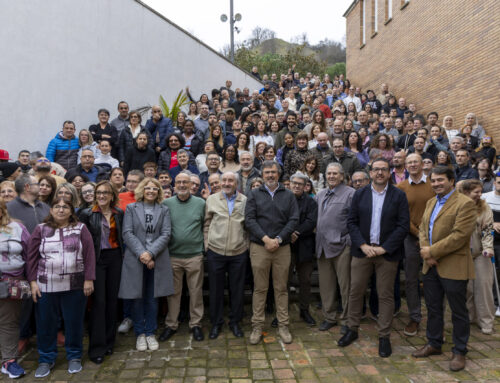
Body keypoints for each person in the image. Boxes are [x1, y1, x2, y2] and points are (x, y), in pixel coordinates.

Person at [338, 158, 409, 358]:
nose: (379, 173)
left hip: (387, 254)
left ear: (389, 173)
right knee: (355, 292)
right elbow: (351, 222)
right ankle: (352, 329)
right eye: (376, 169)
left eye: (383, 170)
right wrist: (363, 245)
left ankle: (384, 336)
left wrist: (384, 248)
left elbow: (403, 226)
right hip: (362, 251)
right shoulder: (359, 195)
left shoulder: (398, 196)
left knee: (385, 295)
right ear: (370, 172)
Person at [413, 166, 477, 372]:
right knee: (432, 307)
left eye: (440, 180)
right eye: (433, 181)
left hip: (453, 265)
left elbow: (460, 236)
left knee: (458, 311)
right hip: (430, 266)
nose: (436, 184)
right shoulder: (432, 202)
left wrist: (432, 252)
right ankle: (434, 343)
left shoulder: (465, 203)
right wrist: (427, 252)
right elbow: (423, 228)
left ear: (451, 180)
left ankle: (459, 351)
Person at [27, 197, 95, 378]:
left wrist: (89, 279)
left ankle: (74, 356)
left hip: (75, 285)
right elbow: (32, 257)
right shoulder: (40, 229)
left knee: (74, 322)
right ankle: (46, 358)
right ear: (51, 210)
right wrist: (32, 282)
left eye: (66, 207)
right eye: (57, 206)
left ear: (72, 211)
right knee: (45, 324)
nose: (61, 210)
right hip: (46, 285)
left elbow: (89, 254)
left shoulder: (80, 228)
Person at [245, 160, 299, 345]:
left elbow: (293, 220)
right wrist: (266, 239)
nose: (270, 175)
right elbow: (250, 220)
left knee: (281, 288)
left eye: (273, 172)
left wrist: (279, 239)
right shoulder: (253, 194)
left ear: (279, 174)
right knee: (260, 288)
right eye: (266, 172)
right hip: (260, 247)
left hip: (282, 248)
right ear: (262, 174)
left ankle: (283, 325)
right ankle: (257, 326)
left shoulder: (289, 195)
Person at [118, 178, 174, 351]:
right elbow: (127, 233)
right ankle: (140, 334)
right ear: (142, 190)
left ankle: (150, 332)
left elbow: (166, 234)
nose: (151, 191)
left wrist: (150, 253)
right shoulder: (132, 208)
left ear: (159, 191)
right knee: (137, 298)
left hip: (156, 259)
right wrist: (142, 253)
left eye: (154, 188)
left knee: (152, 297)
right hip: (136, 258)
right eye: (148, 188)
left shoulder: (164, 209)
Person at [78, 181, 124, 363]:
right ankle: (97, 348)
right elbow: (82, 242)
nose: (102, 196)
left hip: (115, 258)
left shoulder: (118, 214)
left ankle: (109, 342)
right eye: (99, 193)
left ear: (112, 195)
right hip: (96, 259)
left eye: (106, 193)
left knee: (113, 301)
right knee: (99, 302)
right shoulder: (87, 214)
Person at [160, 172, 206, 342]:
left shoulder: (201, 203)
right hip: (173, 255)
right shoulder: (166, 204)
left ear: (191, 184)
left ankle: (196, 324)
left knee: (196, 292)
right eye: (178, 182)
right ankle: (171, 324)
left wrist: (203, 248)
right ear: (174, 185)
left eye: (185, 182)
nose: (181, 185)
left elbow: (204, 225)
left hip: (194, 255)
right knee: (173, 293)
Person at [204, 172, 248, 339]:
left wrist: (246, 246)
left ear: (236, 183)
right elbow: (206, 223)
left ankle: (235, 322)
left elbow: (247, 226)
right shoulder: (212, 199)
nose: (227, 183)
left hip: (238, 252)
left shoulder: (244, 201)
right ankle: (216, 323)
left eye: (231, 180)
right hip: (216, 251)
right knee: (216, 290)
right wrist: (207, 244)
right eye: (224, 180)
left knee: (237, 290)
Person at [396, 154, 435, 336]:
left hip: (435, 238)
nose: (412, 164)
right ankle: (415, 318)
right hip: (411, 239)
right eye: (409, 162)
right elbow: (402, 215)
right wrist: (419, 235)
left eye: (415, 162)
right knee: (411, 279)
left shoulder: (433, 183)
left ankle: (436, 320)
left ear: (422, 164)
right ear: (405, 166)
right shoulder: (401, 187)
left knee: (433, 279)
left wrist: (427, 236)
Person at [315, 163, 355, 333]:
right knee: (326, 285)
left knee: (345, 286)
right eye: (328, 173)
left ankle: (347, 320)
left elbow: (357, 220)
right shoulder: (321, 194)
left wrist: (348, 240)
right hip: (322, 247)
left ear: (341, 176)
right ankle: (329, 317)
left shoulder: (351, 194)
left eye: (334, 173)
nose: (331, 176)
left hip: (342, 246)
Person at [458, 180, 495, 335]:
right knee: (466, 289)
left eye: (480, 191)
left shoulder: (484, 207)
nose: (480, 194)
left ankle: (486, 321)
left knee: (483, 287)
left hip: (480, 253)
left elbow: (487, 229)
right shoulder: (457, 206)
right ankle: (469, 316)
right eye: (476, 192)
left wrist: (488, 247)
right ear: (466, 192)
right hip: (462, 254)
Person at [0, 200, 29, 378]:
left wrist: (31, 280)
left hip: (12, 282)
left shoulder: (17, 228)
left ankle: (8, 361)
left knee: (9, 323)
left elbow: (29, 254)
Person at [288, 172, 318, 326]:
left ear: (305, 186)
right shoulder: (284, 199)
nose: (297, 186)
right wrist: (289, 233)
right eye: (294, 183)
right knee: (284, 281)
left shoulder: (311, 202)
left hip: (305, 246)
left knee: (305, 281)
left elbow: (311, 221)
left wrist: (297, 232)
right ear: (290, 183)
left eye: (300, 184)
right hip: (286, 246)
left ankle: (304, 310)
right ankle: (282, 313)